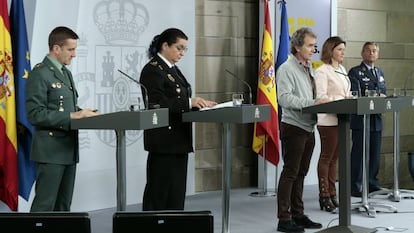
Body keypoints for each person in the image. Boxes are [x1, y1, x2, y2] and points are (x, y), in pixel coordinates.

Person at [139, 28, 217, 211]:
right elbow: (157, 102)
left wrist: (199, 104)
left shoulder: (172, 69)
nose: (182, 53)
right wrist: (189, 102)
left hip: (179, 138)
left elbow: (179, 99)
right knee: (159, 193)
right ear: (165, 45)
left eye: (184, 49)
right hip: (163, 140)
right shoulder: (153, 69)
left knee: (176, 193)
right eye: (179, 48)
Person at [26, 26, 98, 211]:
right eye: (70, 49)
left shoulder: (65, 73)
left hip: (68, 149)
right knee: (45, 206)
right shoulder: (40, 73)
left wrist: (84, 113)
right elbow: (35, 113)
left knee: (63, 208)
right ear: (56, 48)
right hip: (51, 151)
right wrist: (72, 115)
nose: (74, 54)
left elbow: (68, 108)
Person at [276, 27, 329, 233]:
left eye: (314, 46)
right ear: (297, 46)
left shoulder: (309, 68)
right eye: (309, 45)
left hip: (308, 126)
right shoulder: (286, 69)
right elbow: (284, 98)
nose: (313, 49)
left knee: (301, 173)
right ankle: (284, 219)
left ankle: (298, 215)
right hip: (294, 126)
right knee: (290, 172)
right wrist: (313, 102)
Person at [314, 36, 349, 212]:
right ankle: (324, 195)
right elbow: (320, 97)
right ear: (330, 51)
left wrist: (349, 98)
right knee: (326, 157)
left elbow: (346, 92)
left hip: (341, 119)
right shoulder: (322, 71)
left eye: (344, 49)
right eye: (340, 49)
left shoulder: (342, 69)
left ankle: (332, 193)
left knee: (335, 159)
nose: (343, 52)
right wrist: (341, 99)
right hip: (327, 119)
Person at [348, 42, 386, 197]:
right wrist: (375, 95)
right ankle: (356, 186)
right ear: (362, 53)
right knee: (359, 153)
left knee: (374, 154)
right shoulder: (355, 72)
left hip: (376, 119)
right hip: (361, 119)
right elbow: (356, 93)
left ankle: (372, 183)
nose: (372, 53)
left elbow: (383, 92)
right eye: (368, 50)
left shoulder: (380, 72)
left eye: (374, 51)